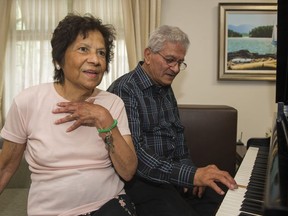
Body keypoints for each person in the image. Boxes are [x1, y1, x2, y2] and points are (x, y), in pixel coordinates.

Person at [0, 13, 138, 216]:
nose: (95, 60)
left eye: (101, 53)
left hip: (108, 205)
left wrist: (103, 118)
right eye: (84, 49)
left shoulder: (112, 103)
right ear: (58, 60)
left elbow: (128, 170)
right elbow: (5, 167)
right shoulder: (27, 101)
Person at [107, 25, 237, 216]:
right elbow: (138, 156)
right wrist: (191, 176)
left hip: (170, 177)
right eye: (170, 60)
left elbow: (178, 138)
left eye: (180, 62)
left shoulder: (165, 87)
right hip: (140, 182)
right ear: (148, 55)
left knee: (226, 196)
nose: (175, 69)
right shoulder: (124, 90)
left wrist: (191, 172)